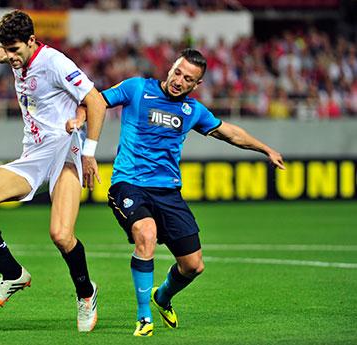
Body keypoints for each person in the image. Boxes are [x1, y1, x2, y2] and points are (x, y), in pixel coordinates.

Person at [72, 48, 285, 336]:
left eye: (188, 79)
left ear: (196, 85)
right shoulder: (136, 88)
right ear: (170, 68)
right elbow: (94, 101)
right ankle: (144, 317)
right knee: (145, 234)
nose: (179, 80)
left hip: (168, 192)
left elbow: (229, 132)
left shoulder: (193, 111)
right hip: (129, 183)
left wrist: (266, 149)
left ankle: (162, 297)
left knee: (193, 266)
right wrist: (79, 119)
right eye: (177, 72)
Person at [0, 10, 106, 332]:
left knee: (61, 235)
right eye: (5, 49)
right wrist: (3, 55)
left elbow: (95, 101)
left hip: (67, 152)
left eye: (15, 50)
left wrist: (90, 153)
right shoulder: (16, 58)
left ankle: (86, 293)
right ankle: (12, 274)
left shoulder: (55, 62)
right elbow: (11, 57)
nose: (11, 57)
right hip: (34, 156)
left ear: (32, 41)